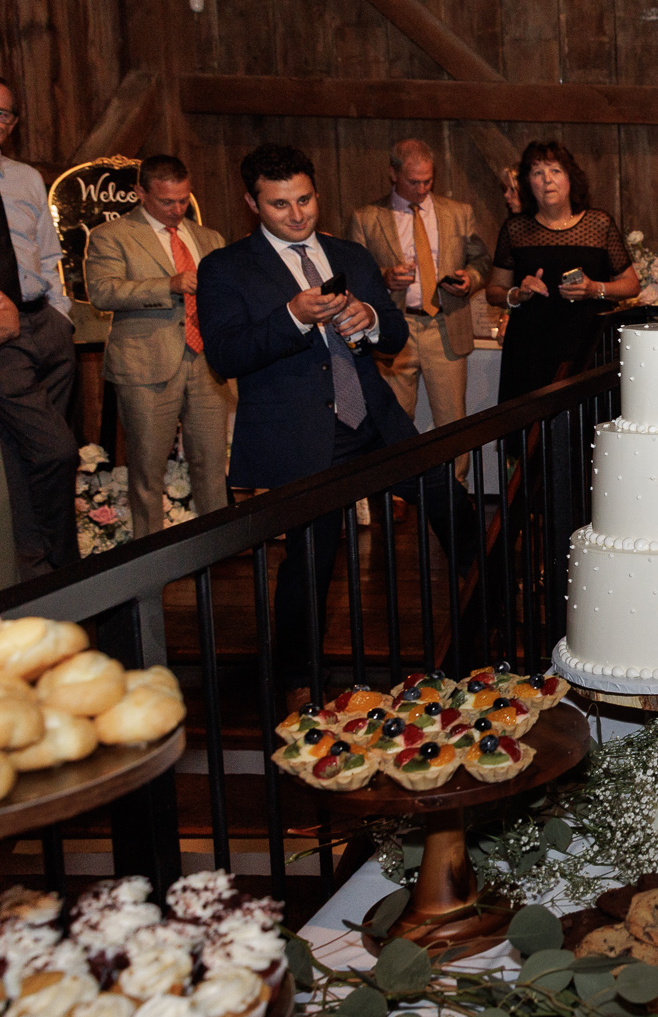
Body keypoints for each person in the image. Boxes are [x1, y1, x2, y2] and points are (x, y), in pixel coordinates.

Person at [199, 144, 465, 704]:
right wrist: (292, 317)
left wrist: (370, 320)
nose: (297, 215)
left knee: (451, 505)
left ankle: (486, 629)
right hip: (298, 430)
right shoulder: (226, 267)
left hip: (374, 418)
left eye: (305, 200)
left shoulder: (350, 253)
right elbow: (225, 356)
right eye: (279, 206)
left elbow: (393, 334)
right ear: (253, 204)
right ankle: (298, 680)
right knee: (310, 559)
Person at [83, 155, 230, 538]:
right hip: (146, 365)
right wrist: (168, 284)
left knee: (212, 465)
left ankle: (217, 546)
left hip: (206, 362)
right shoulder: (111, 236)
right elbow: (102, 291)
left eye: (183, 199)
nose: (177, 209)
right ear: (140, 193)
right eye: (167, 201)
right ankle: (149, 557)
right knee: (147, 469)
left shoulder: (209, 238)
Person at [347, 140, 492, 459]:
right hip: (394, 328)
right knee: (394, 422)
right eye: (414, 182)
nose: (423, 188)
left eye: (429, 180)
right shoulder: (367, 217)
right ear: (393, 174)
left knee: (453, 423)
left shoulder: (458, 213)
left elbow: (481, 261)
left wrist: (469, 279)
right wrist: (384, 277)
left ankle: (455, 497)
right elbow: (353, 277)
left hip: (445, 325)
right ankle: (398, 501)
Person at [485, 142, 639, 402]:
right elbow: (493, 292)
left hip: (587, 345)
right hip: (530, 348)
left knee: (586, 424)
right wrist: (517, 294)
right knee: (533, 429)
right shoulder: (515, 229)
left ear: (570, 178)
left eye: (555, 171)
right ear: (527, 183)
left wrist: (595, 289)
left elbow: (631, 285)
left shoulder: (599, 224)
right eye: (537, 173)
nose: (547, 180)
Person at [0, 78, 80, 577]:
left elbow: (50, 254)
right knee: (57, 451)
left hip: (46, 325)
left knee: (23, 452)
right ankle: (59, 560)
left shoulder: (26, 178)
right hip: (4, 341)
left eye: (6, 114)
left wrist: (62, 316)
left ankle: (34, 566)